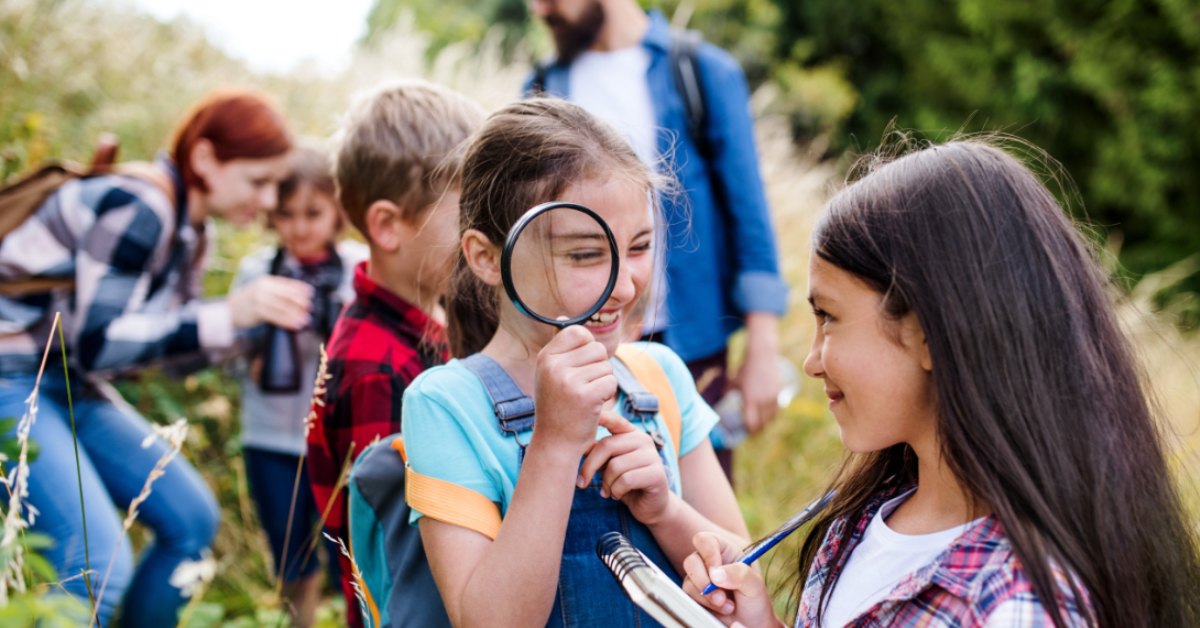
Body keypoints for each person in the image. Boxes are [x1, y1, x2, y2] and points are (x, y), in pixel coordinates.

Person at [680, 140, 1200, 627]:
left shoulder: (1019, 606)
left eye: (829, 317)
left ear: (930, 333)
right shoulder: (863, 517)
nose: (812, 361)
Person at [401, 98, 749, 628]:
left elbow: (742, 580)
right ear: (487, 258)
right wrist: (555, 444)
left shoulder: (660, 376)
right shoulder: (446, 405)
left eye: (640, 247)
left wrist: (664, 511)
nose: (627, 285)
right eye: (586, 254)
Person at [0, 89, 312, 627]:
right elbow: (101, 344)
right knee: (96, 563)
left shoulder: (192, 233)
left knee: (191, 520)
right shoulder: (142, 204)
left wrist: (250, 331)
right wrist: (227, 314)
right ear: (205, 159)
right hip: (12, 375)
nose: (267, 201)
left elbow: (162, 355)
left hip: (66, 378)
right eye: (258, 181)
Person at [525, 0, 789, 480]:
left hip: (694, 344)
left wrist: (763, 348)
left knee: (698, 503)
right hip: (586, 343)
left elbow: (748, 214)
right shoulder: (543, 88)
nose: (539, 8)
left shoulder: (702, 72)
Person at [304, 79, 485, 628]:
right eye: (470, 211)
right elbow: (396, 550)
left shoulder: (431, 327)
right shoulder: (377, 371)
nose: (487, 232)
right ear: (387, 225)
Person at [230, 143, 366, 628]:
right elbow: (229, 354)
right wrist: (258, 356)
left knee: (350, 558)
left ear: (337, 212)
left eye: (314, 212)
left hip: (338, 440)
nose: (301, 226)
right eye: (286, 214)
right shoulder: (258, 272)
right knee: (291, 556)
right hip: (270, 437)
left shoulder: (357, 269)